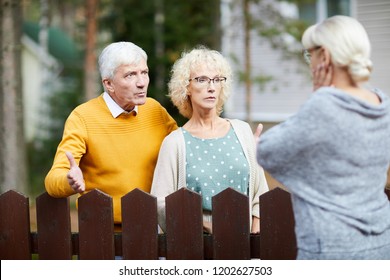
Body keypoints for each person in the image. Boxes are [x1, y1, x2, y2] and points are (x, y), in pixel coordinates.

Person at [256, 15, 390, 259]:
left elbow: (267, 151)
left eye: (310, 54)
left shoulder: (323, 106)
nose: (310, 63)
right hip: (381, 243)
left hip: (331, 248)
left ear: (325, 57)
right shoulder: (383, 105)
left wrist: (319, 94)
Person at [45, 41, 178, 225]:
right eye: (130, 75)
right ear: (109, 84)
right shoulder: (83, 117)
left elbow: (184, 152)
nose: (141, 83)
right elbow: (53, 180)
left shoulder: (155, 110)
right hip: (103, 236)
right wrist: (70, 181)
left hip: (154, 230)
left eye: (144, 73)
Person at [150, 46, 269, 233]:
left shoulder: (242, 130)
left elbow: (260, 192)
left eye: (217, 80)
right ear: (186, 87)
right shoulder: (175, 143)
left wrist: (255, 236)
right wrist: (206, 228)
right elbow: (161, 203)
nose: (211, 87)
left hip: (245, 244)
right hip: (195, 246)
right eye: (202, 80)